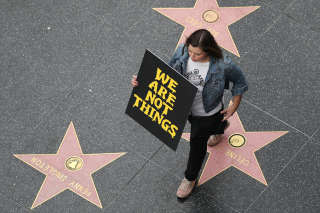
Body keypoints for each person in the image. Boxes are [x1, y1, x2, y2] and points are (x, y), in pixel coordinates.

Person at [131, 29, 248, 199]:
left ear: (208, 50)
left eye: (198, 54)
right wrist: (140, 81)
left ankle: (190, 178)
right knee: (215, 124)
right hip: (183, 107)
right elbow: (165, 73)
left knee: (197, 146)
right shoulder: (182, 51)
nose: (192, 56)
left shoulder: (224, 65)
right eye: (190, 51)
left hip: (207, 113)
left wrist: (233, 106)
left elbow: (240, 82)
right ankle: (219, 128)